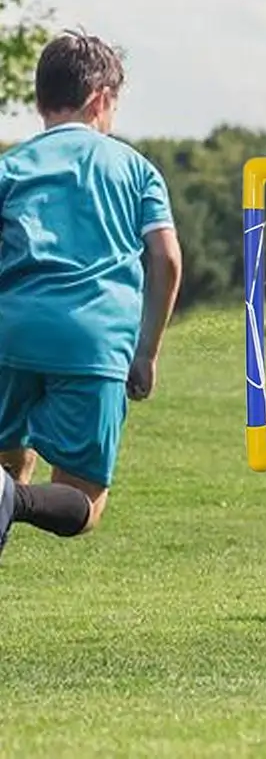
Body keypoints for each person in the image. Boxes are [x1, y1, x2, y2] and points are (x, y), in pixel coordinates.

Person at [0, 30, 182, 559]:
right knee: (83, 504)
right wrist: (146, 352)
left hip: (10, 331)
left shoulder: (9, 167)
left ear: (40, 101)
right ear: (101, 99)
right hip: (93, 340)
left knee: (8, 461)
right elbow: (166, 258)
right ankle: (18, 502)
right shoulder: (135, 169)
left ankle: (9, 495)